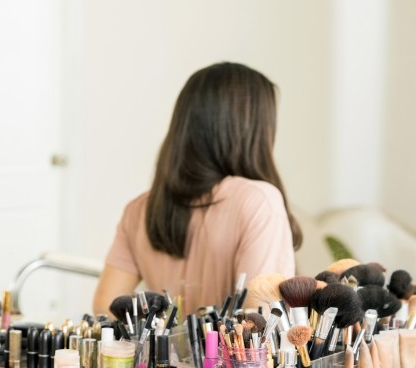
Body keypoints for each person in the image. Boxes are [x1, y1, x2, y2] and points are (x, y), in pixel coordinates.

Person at [93, 62, 300, 317]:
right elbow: (263, 322)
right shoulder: (259, 201)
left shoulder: (141, 209)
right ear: (251, 132)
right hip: (235, 358)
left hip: (161, 358)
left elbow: (105, 307)